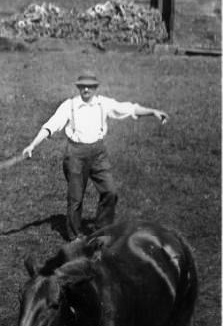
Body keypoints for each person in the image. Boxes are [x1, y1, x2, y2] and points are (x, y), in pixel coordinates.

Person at [20, 72, 168, 240]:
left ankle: (102, 232)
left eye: (90, 86)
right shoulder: (69, 105)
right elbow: (51, 126)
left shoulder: (103, 103)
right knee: (75, 198)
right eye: (83, 86)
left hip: (98, 154)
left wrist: (153, 112)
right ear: (78, 88)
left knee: (110, 191)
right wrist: (32, 145)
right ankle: (74, 237)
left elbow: (130, 108)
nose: (86, 89)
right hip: (75, 154)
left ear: (96, 88)